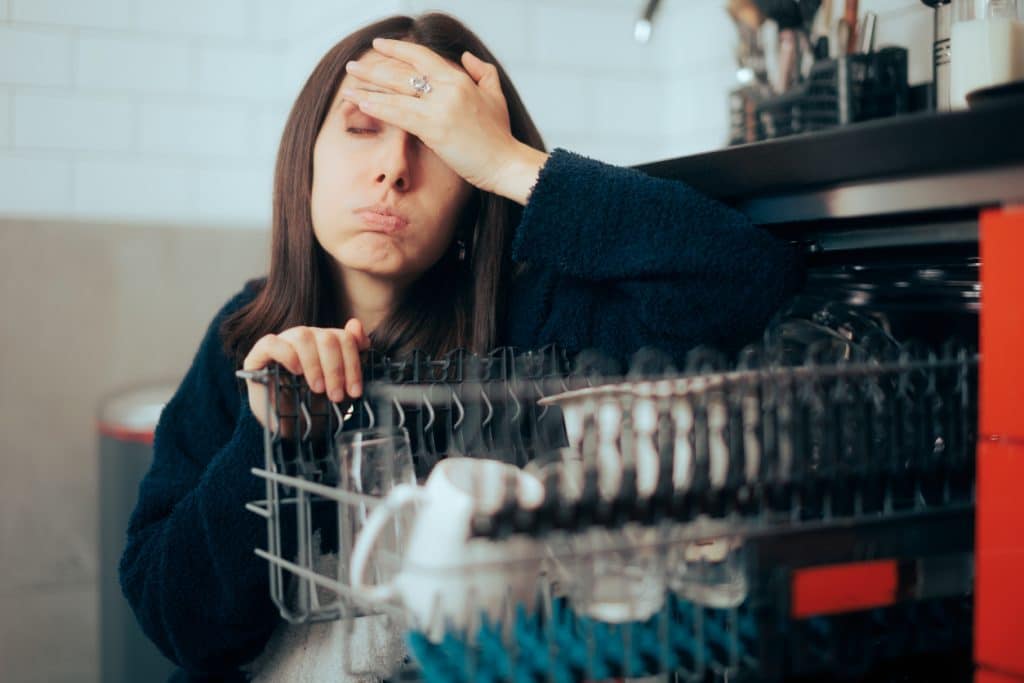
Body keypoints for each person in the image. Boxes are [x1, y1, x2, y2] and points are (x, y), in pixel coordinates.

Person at [119, 11, 804, 682]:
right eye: (362, 129)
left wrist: (511, 163)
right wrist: (267, 439)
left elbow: (749, 279)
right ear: (306, 159)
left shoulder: (541, 318)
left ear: (472, 187)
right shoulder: (243, 338)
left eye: (437, 143)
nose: (393, 168)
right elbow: (176, 622)